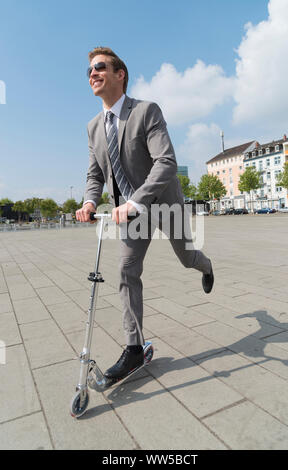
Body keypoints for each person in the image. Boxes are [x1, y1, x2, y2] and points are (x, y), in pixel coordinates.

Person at [76, 47, 214, 381]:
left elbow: (165, 162)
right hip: (130, 215)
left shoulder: (146, 111)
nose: (92, 73)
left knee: (186, 256)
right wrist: (90, 203)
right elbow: (95, 175)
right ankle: (134, 349)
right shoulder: (94, 127)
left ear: (120, 74)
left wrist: (136, 201)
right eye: (89, 71)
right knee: (126, 270)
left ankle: (206, 266)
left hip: (164, 203)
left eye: (99, 67)